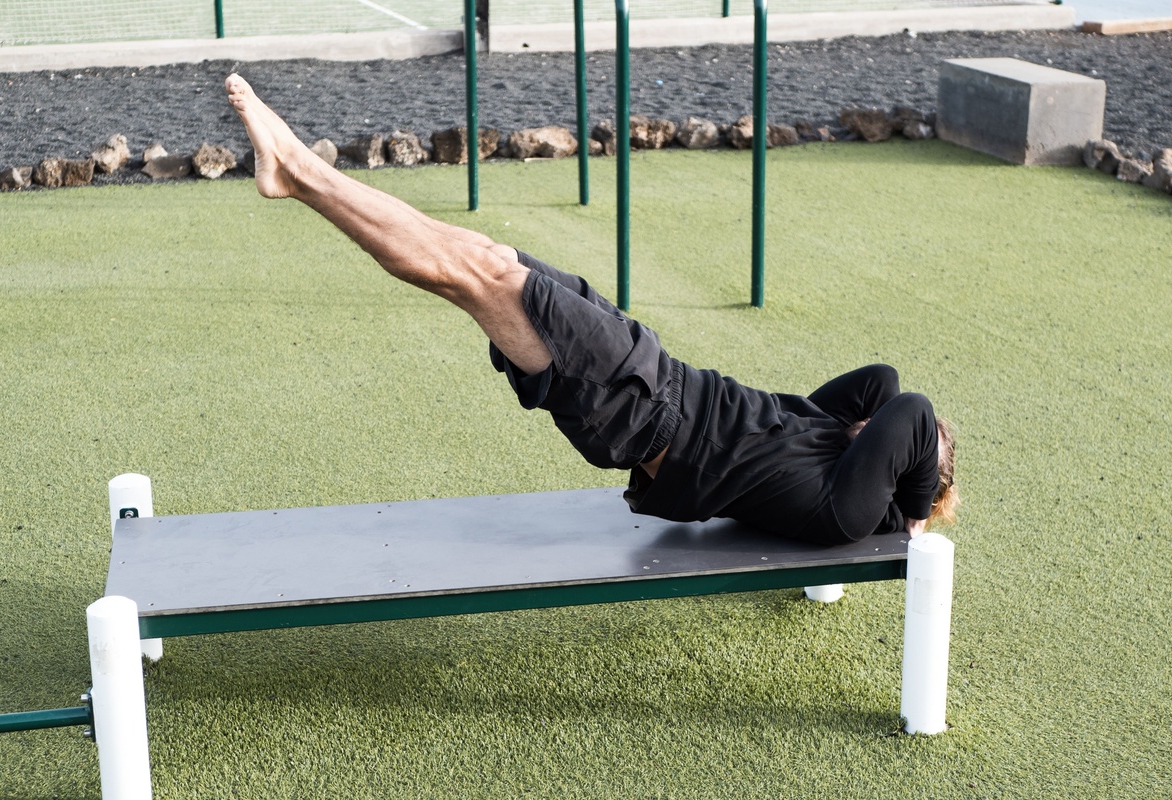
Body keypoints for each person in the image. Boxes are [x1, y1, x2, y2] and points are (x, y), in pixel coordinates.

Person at [224, 74, 958, 545]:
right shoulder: (825, 443)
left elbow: (911, 411)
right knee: (485, 260)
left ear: (899, 475)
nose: (864, 426)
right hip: (648, 387)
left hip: (644, 404)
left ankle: (297, 171)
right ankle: (297, 173)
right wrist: (881, 447)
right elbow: (881, 384)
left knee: (472, 270)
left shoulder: (846, 506)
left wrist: (919, 511)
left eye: (892, 452)